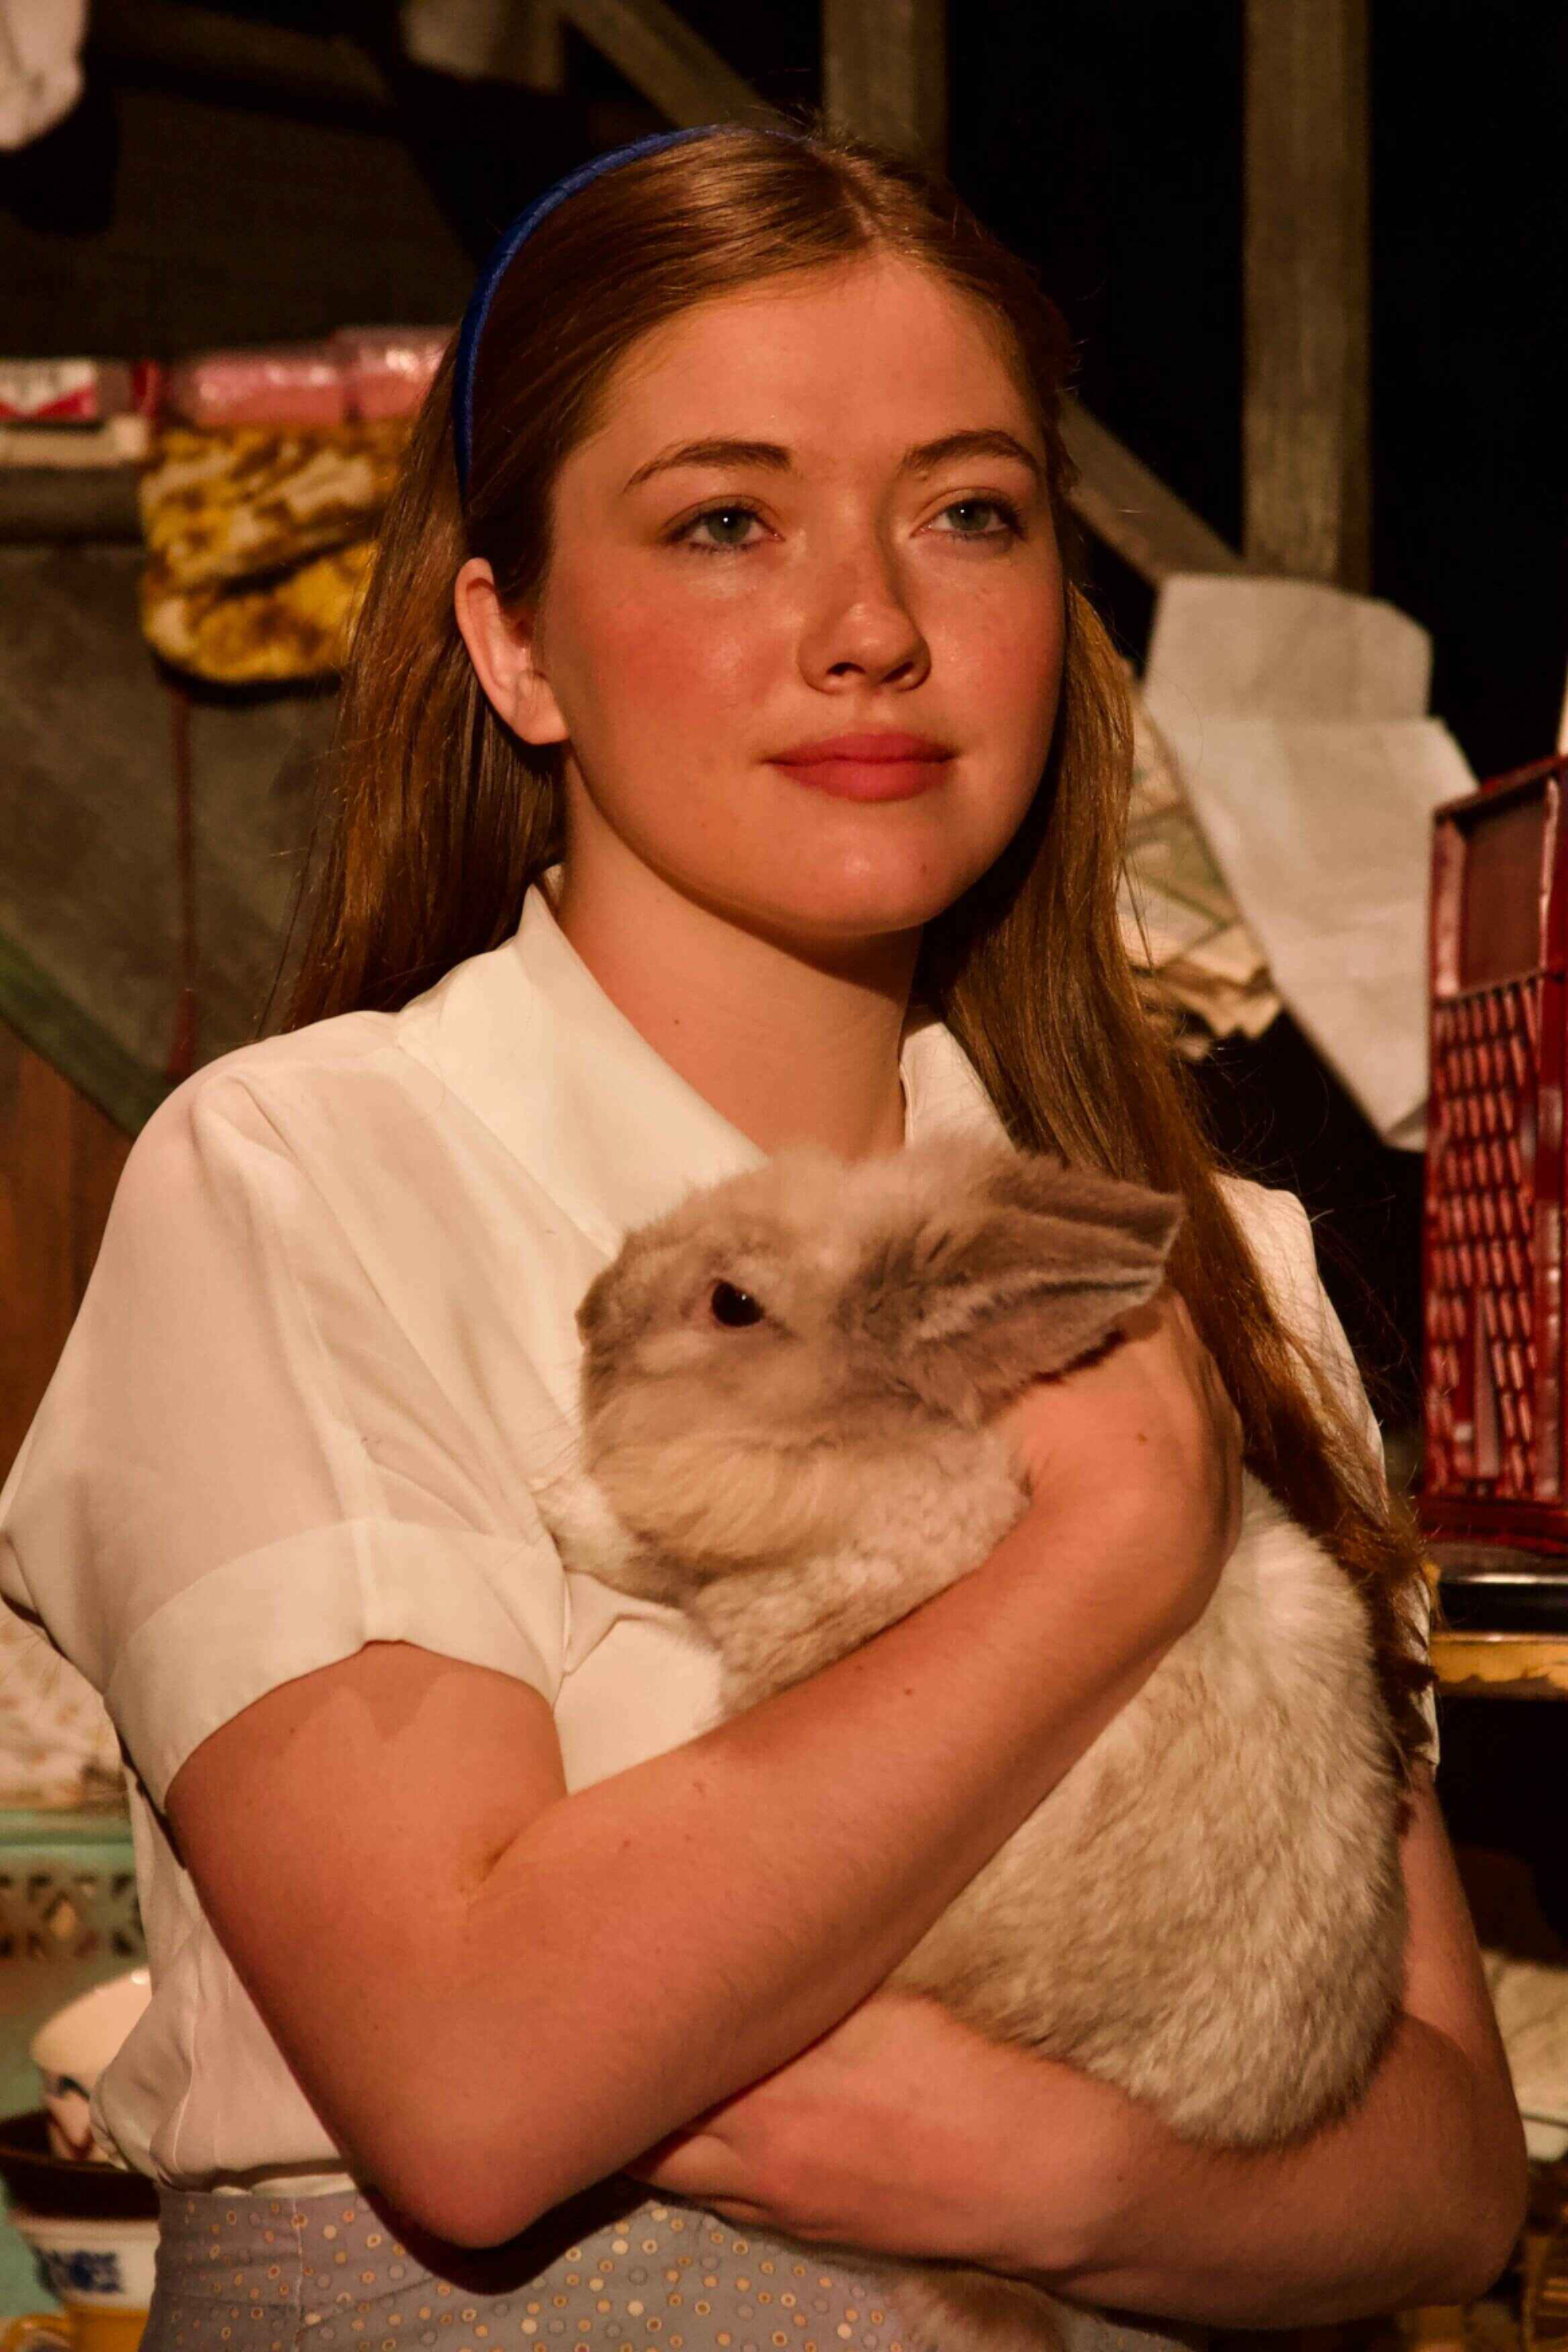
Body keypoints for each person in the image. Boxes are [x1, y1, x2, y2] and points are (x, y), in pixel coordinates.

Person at [0, 115, 1524, 2352]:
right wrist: (1109, 1551)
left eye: (972, 515)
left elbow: (1446, 2175)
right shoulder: (312, 1180)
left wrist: (1076, 2178)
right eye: (725, 521)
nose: (874, 629)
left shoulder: (1222, 1261)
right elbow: (478, 2083)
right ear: (515, 647)